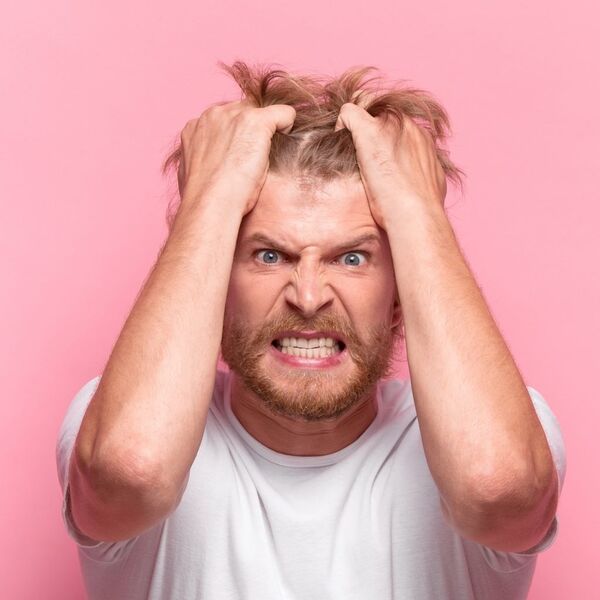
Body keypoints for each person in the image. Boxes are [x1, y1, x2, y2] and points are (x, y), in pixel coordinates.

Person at [55, 61, 566, 600]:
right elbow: (131, 473)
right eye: (269, 255)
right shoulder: (114, 414)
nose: (307, 296)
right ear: (215, 286)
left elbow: (495, 489)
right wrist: (211, 198)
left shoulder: (507, 424)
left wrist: (416, 209)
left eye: (352, 258)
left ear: (400, 296)